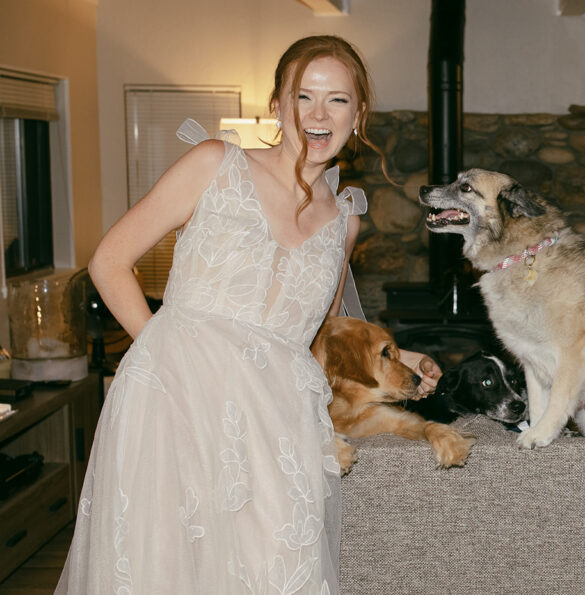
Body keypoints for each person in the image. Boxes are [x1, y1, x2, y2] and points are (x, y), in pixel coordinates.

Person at [57, 35, 439, 593]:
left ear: (358, 115)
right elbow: (109, 261)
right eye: (302, 96)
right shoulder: (214, 164)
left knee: (274, 570)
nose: (317, 114)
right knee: (166, 570)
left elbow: (323, 335)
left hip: (275, 423)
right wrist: (164, 362)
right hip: (172, 404)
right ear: (276, 104)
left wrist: (402, 357)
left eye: (336, 100)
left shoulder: (344, 221)